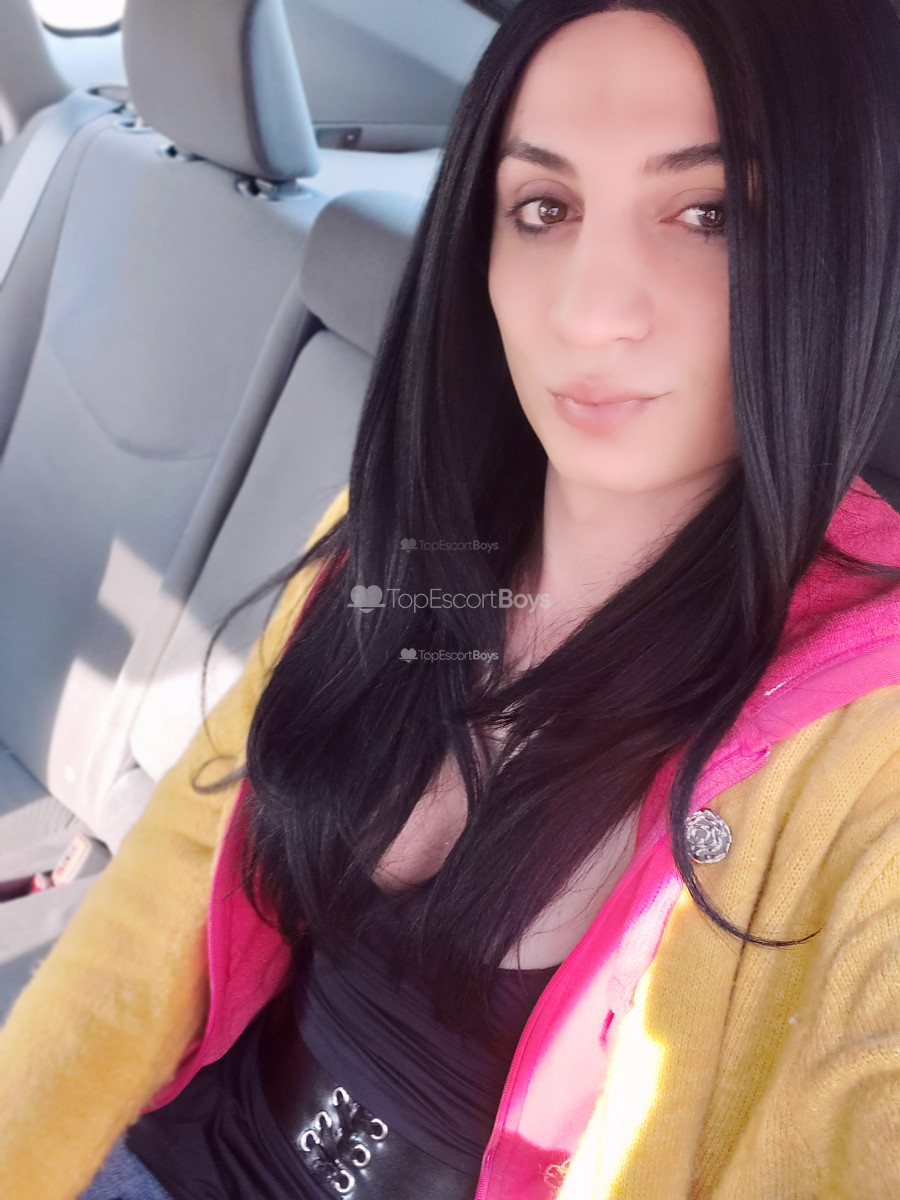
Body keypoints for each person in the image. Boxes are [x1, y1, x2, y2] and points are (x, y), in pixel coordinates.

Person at [2, 0, 900, 1197]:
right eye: (545, 208)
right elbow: (167, 881)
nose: (587, 311)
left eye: (709, 214)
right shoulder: (401, 527)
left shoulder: (868, 750)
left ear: (844, 252)